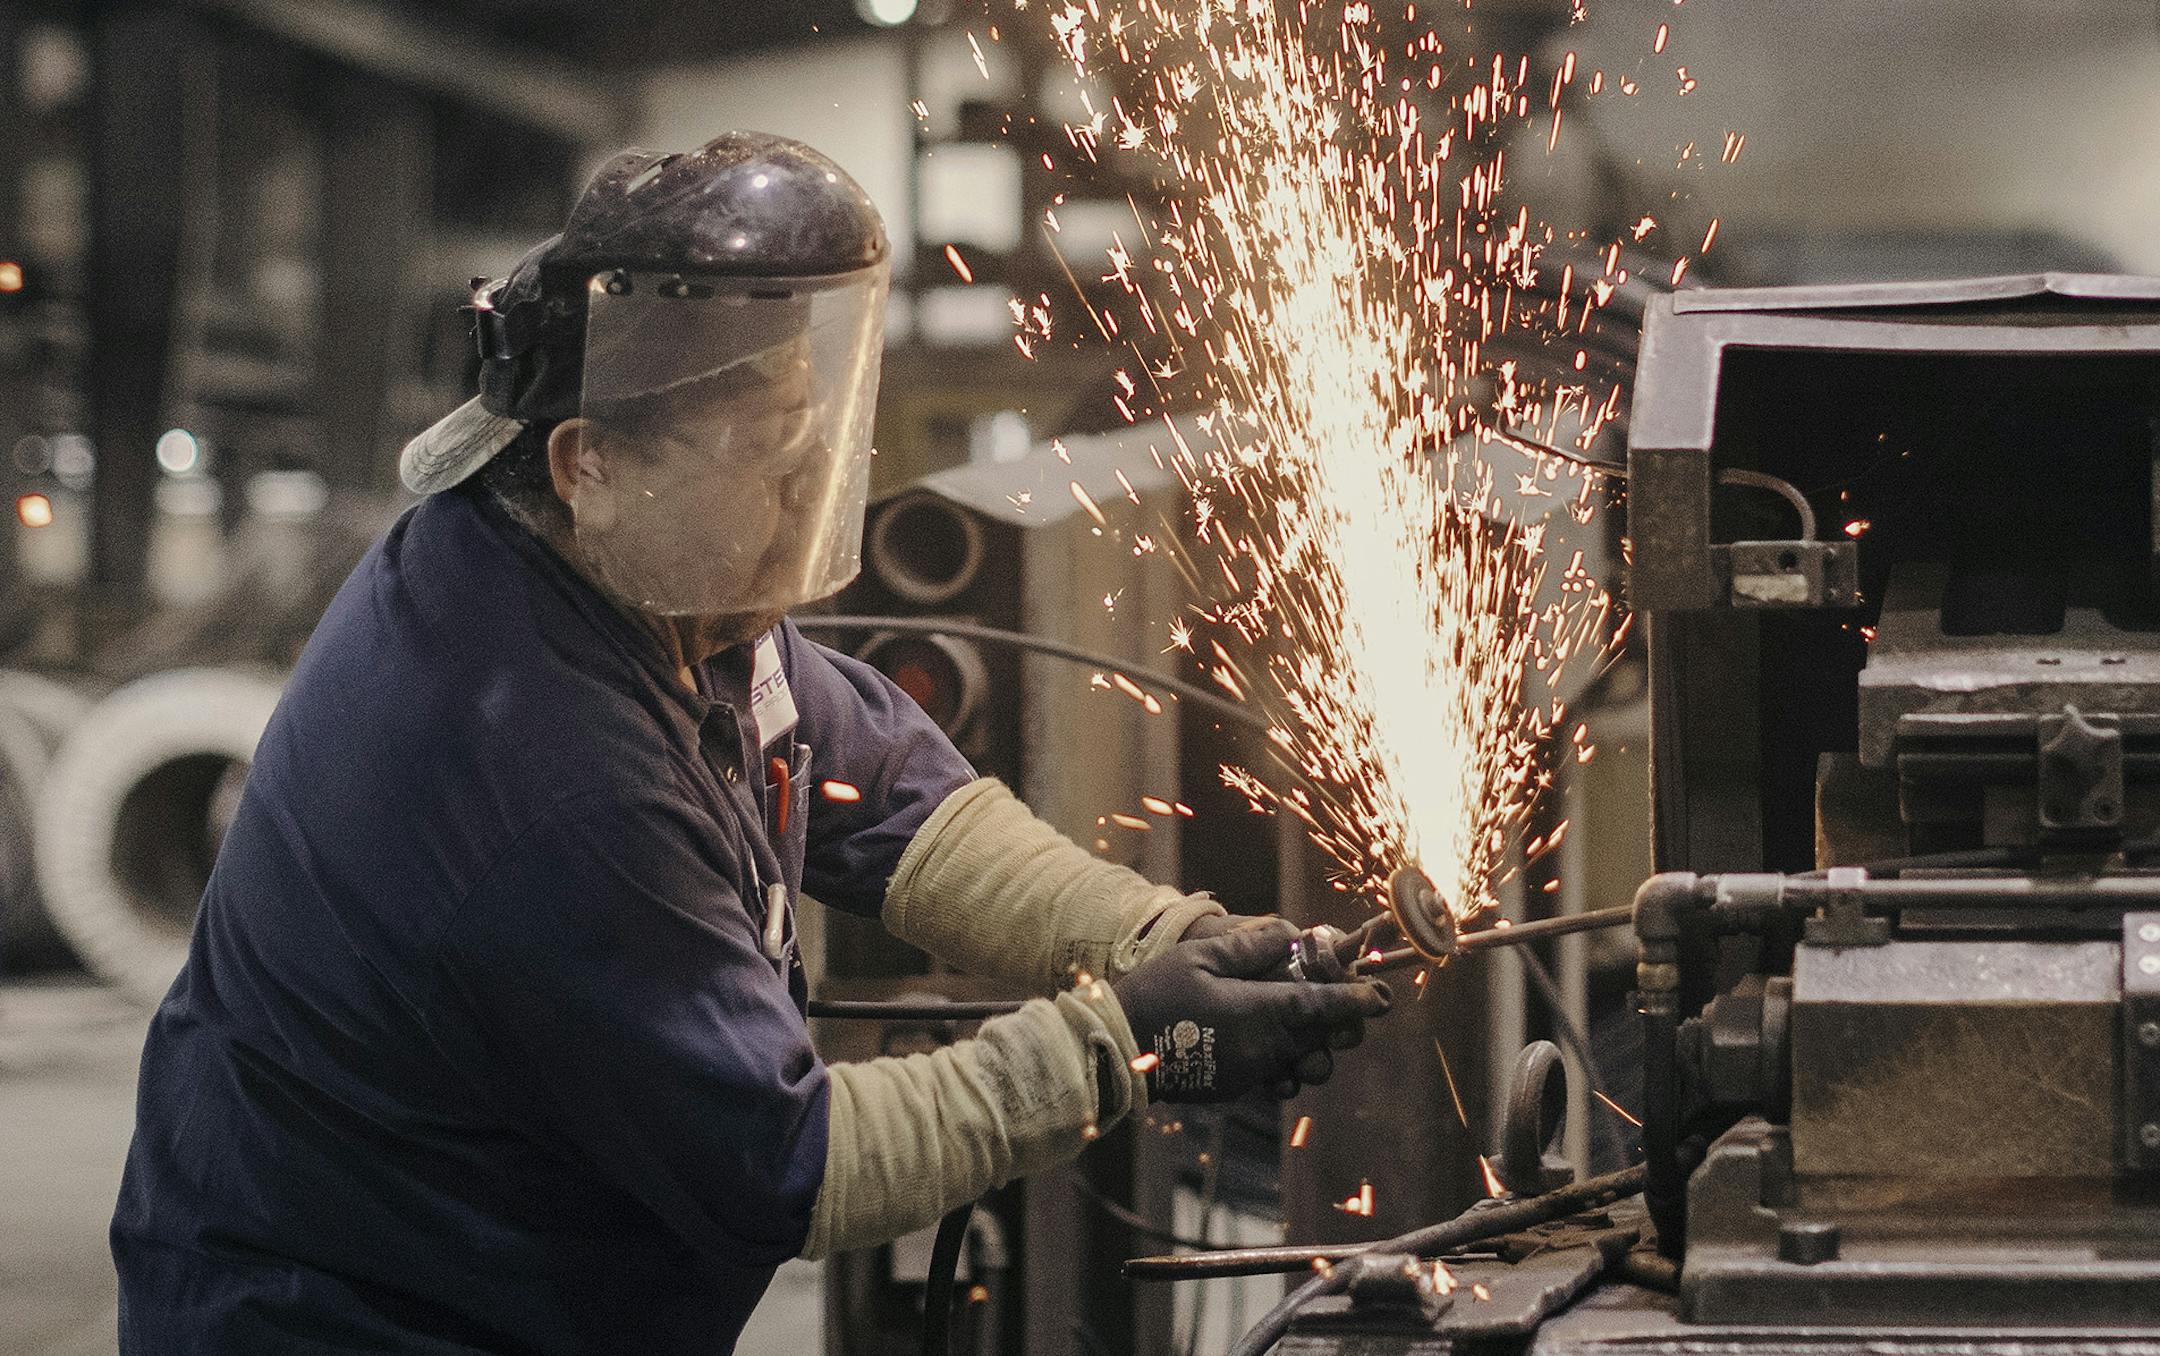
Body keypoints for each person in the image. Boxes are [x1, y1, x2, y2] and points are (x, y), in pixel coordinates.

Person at [110, 133, 1391, 1354]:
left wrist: (1158, 940)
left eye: (811, 446)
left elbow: (894, 799)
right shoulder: (543, 770)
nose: (803, 495)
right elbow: (794, 1162)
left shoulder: (653, 577)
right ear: (589, 463)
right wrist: (1127, 1043)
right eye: (767, 461)